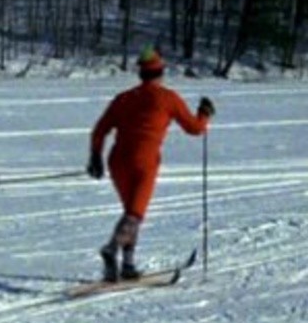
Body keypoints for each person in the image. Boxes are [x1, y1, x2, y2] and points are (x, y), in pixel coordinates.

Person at [87, 45, 214, 282]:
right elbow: (195, 128)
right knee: (135, 214)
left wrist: (95, 156)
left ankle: (127, 264)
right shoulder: (168, 98)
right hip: (144, 162)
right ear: (160, 72)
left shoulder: (124, 99)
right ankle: (112, 249)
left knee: (131, 213)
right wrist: (205, 113)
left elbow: (99, 130)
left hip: (117, 161)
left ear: (141, 74)